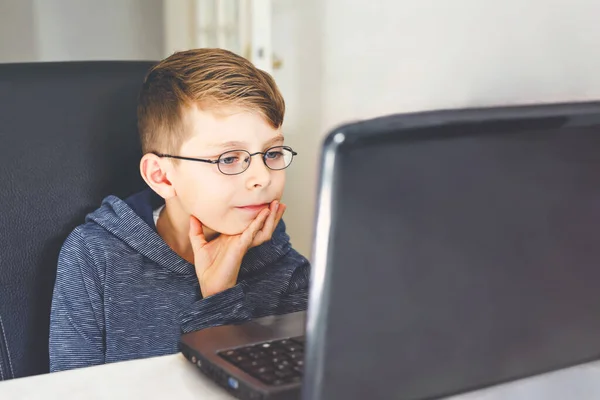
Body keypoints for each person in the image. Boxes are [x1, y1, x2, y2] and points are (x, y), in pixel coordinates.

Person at [49, 48, 310, 372]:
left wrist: (220, 296)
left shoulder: (286, 268)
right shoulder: (93, 255)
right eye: (228, 158)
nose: (262, 177)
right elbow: (72, 390)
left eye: (272, 153)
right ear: (162, 177)